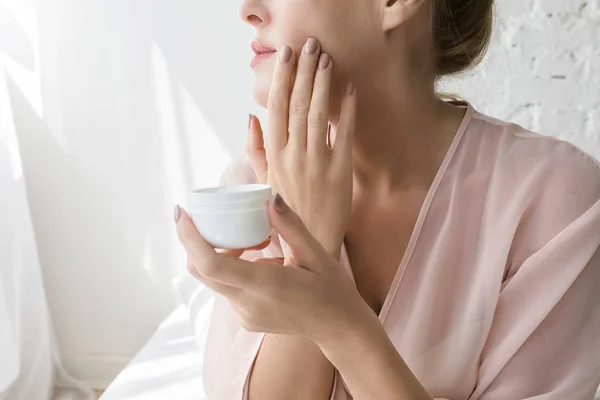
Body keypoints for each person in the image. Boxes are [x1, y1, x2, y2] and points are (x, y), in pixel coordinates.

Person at [174, 0, 600, 398]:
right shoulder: (256, 184)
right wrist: (311, 241)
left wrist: (338, 322)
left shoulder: (556, 202)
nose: (247, 10)